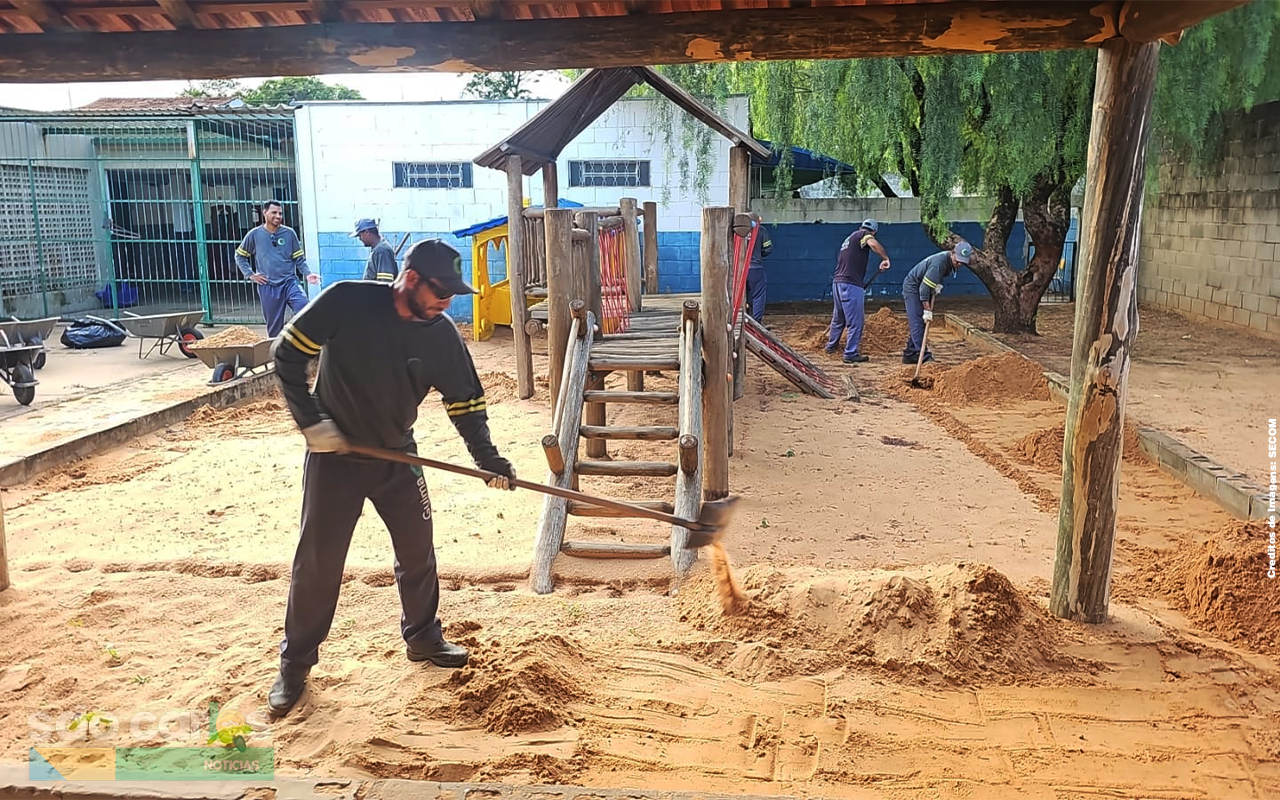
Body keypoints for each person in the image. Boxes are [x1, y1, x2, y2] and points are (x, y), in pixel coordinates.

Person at [264, 238, 517, 717]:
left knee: (418, 551)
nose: (447, 303)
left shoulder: (440, 335)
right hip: (335, 457)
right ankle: (295, 664)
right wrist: (312, 422)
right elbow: (287, 354)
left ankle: (423, 637)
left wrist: (489, 459)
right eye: (441, 292)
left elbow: (465, 402)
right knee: (318, 563)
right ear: (411, 279)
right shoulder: (347, 301)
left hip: (398, 457)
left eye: (453, 294)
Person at [236, 199, 319, 338]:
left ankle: (299, 342)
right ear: (264, 213)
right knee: (274, 327)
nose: (278, 216)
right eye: (274, 212)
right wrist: (250, 274)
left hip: (290, 282)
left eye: (280, 213)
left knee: (305, 309)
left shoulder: (289, 233)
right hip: (268, 285)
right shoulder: (254, 235)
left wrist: (307, 274)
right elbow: (240, 255)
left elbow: (299, 258)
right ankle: (276, 350)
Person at [825, 219, 892, 363]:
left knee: (839, 319)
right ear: (874, 232)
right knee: (856, 322)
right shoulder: (863, 235)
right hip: (850, 284)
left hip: (838, 282)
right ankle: (850, 353)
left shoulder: (849, 238)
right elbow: (872, 244)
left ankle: (831, 347)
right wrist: (885, 258)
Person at [902, 240, 973, 364]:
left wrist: (936, 285)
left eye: (962, 262)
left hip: (923, 286)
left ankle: (910, 354)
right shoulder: (939, 264)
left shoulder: (948, 262)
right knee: (918, 320)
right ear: (952, 253)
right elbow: (923, 289)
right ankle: (924, 356)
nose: (959, 264)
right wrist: (927, 309)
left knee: (921, 323)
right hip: (913, 287)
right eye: (957, 261)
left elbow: (933, 279)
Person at [744, 213, 773, 324]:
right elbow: (768, 248)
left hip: (739, 271)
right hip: (755, 269)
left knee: (741, 297)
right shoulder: (760, 230)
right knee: (758, 296)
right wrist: (759, 254)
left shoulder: (737, 231)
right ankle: (756, 324)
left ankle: (744, 320)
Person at [353, 218, 398, 282]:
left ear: (367, 232)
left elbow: (385, 282)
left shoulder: (382, 251)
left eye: (360, 235)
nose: (360, 239)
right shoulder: (377, 249)